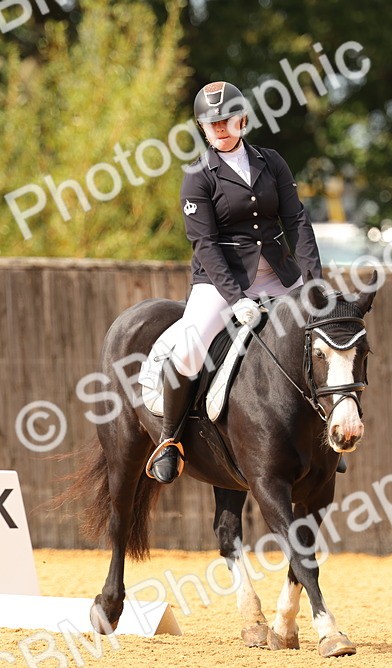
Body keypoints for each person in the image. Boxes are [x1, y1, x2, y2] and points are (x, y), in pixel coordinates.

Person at [144, 80, 323, 484]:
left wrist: (313, 282)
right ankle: (170, 440)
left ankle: (324, 438)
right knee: (190, 347)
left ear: (243, 119)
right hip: (219, 280)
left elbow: (296, 220)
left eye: (227, 119)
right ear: (203, 129)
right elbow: (204, 243)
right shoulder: (198, 175)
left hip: (278, 275)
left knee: (319, 336)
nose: (221, 128)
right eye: (212, 123)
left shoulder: (271, 162)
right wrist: (235, 296)